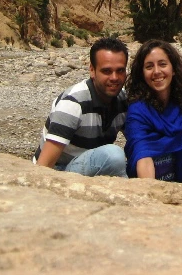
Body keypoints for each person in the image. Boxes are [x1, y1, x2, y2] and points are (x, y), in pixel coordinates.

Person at [123, 40, 182, 186]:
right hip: (155, 186)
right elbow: (141, 152)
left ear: (173, 69)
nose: (156, 72)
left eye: (162, 64)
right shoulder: (138, 111)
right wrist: (151, 194)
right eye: (149, 67)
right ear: (142, 73)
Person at [33, 37, 129, 177]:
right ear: (92, 70)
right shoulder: (73, 103)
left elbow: (138, 140)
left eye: (120, 71)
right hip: (59, 170)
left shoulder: (122, 101)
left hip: (91, 167)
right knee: (114, 155)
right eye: (106, 71)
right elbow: (44, 166)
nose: (114, 78)